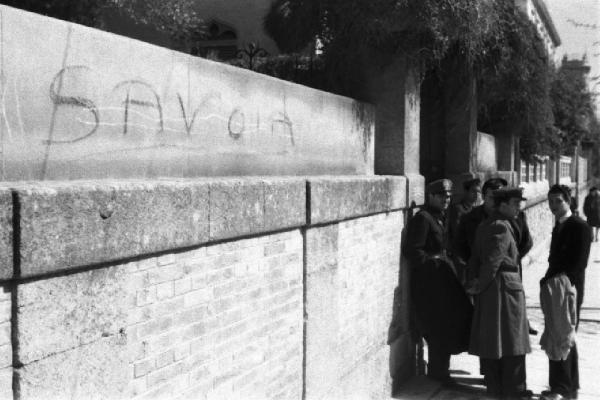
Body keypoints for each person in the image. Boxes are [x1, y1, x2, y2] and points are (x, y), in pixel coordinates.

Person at [402, 179, 473, 384]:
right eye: (441, 196)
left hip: (443, 280)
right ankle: (438, 371)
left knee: (448, 324)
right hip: (430, 283)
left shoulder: (439, 218)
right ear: (430, 196)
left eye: (449, 196)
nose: (446, 200)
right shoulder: (423, 219)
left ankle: (441, 369)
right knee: (437, 326)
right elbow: (412, 250)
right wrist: (433, 264)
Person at [466, 187, 532, 399]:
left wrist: (475, 283)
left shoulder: (488, 224)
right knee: (511, 342)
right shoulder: (500, 227)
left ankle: (501, 388)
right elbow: (492, 263)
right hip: (502, 290)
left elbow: (475, 258)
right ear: (502, 205)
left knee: (496, 342)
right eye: (514, 203)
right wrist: (479, 285)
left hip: (495, 289)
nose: (518, 207)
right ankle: (512, 390)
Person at [539, 184, 592, 400]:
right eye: (550, 201)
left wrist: (561, 283)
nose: (553, 206)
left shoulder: (579, 226)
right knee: (557, 334)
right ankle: (567, 387)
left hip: (569, 289)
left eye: (558, 201)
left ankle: (562, 388)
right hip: (555, 288)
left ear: (568, 201)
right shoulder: (559, 226)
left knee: (564, 335)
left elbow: (580, 263)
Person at [448, 177, 481, 284]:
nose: (476, 195)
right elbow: (458, 233)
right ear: (466, 192)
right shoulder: (458, 209)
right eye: (473, 191)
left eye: (478, 192)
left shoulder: (475, 210)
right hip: (460, 256)